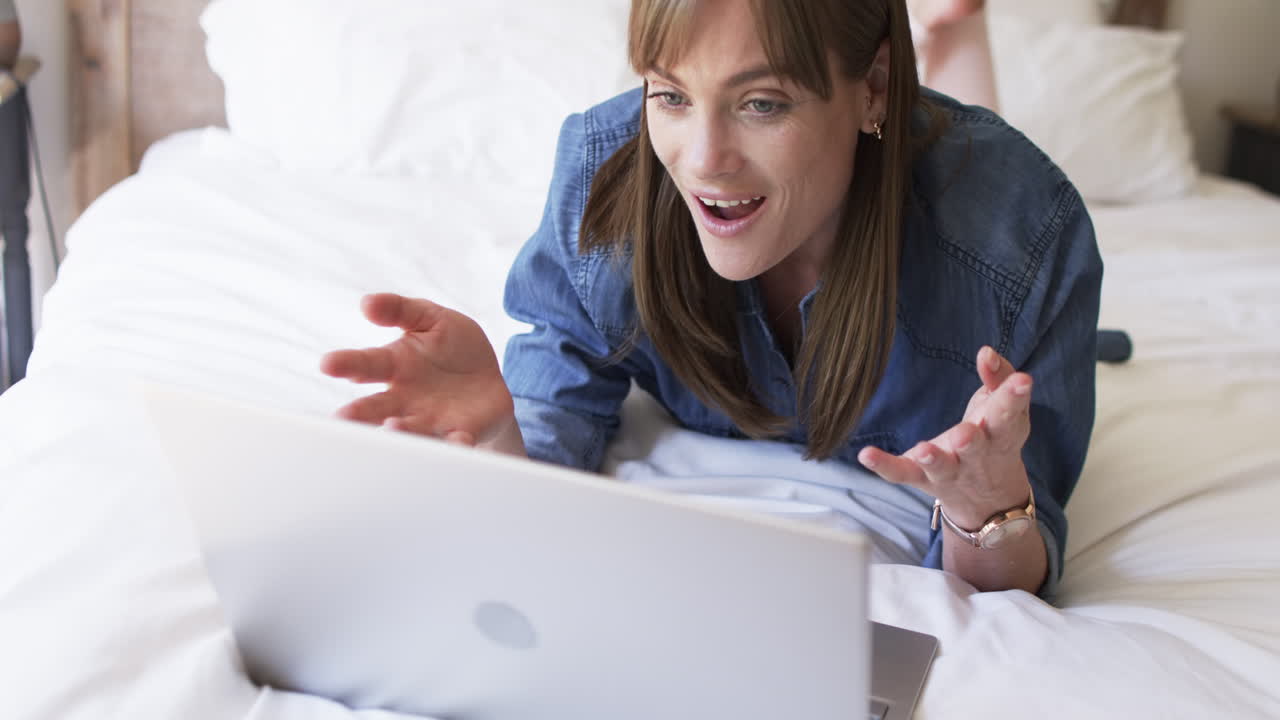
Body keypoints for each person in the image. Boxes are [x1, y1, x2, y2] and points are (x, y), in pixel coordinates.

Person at [322, 0, 1101, 598]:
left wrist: (985, 510)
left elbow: (1016, 572)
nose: (702, 162)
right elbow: (555, 416)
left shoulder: (1018, 244)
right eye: (669, 95)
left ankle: (956, 30)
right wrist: (496, 433)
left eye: (761, 103)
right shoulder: (607, 182)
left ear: (873, 87)